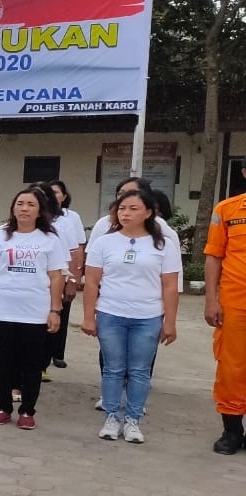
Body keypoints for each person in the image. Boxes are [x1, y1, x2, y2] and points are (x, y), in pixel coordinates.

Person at [82, 189, 181, 444]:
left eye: (133, 209)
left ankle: (133, 420)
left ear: (148, 212)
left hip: (148, 317)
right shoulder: (104, 242)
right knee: (113, 369)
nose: (126, 213)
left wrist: (169, 322)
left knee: (139, 371)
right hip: (111, 314)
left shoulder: (163, 244)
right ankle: (112, 417)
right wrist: (89, 317)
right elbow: (92, 282)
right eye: (122, 208)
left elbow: (170, 285)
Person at [0, 187, 66, 429]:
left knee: (32, 363)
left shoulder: (49, 239)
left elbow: (56, 277)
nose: (24, 208)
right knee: (5, 361)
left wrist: (55, 310)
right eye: (20, 203)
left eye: (30, 204)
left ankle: (27, 410)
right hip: (4, 308)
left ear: (40, 210)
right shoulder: (1, 237)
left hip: (36, 311)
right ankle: (3, 407)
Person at [204, 172, 246, 455]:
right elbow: (214, 255)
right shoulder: (226, 210)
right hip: (235, 303)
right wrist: (211, 300)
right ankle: (232, 430)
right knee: (232, 367)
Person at [44, 180, 86, 370]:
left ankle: (57, 353)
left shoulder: (71, 218)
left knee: (61, 311)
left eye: (56, 192)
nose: (53, 196)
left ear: (64, 196)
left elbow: (78, 248)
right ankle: (42, 360)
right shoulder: (39, 217)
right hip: (42, 278)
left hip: (64, 272)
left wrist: (74, 278)